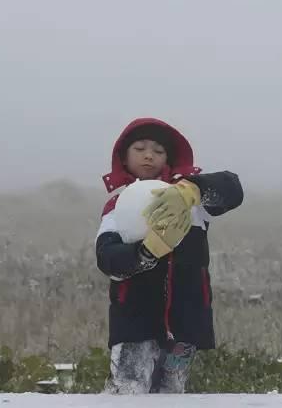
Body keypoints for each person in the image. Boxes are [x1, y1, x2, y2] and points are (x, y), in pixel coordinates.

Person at [95, 117, 244, 394]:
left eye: (158, 150)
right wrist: (145, 252)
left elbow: (232, 188)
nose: (149, 155)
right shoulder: (118, 205)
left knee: (172, 394)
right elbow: (107, 258)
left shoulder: (193, 203)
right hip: (134, 321)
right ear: (123, 158)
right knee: (129, 391)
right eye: (139, 148)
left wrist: (192, 190)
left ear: (169, 158)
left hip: (185, 322)